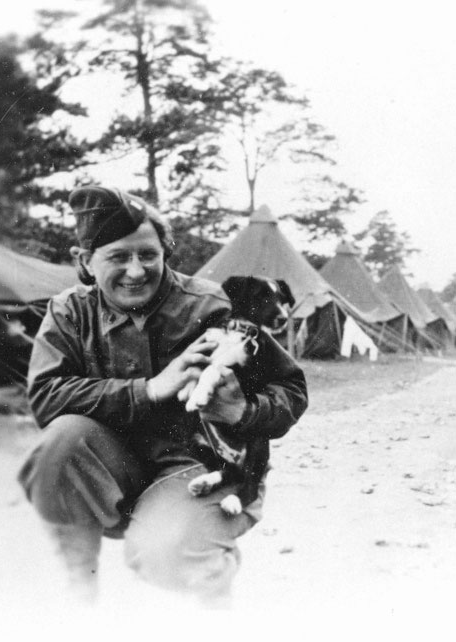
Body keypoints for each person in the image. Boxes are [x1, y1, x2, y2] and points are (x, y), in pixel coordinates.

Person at [18, 185, 308, 607]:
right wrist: (151, 388)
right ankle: (76, 607)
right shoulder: (69, 312)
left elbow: (290, 387)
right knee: (59, 446)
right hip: (112, 464)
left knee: (166, 554)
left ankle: (213, 611)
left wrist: (242, 410)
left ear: (165, 252)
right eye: (118, 257)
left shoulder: (209, 305)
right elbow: (45, 395)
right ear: (84, 262)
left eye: (147, 255)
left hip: (199, 462)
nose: (136, 271)